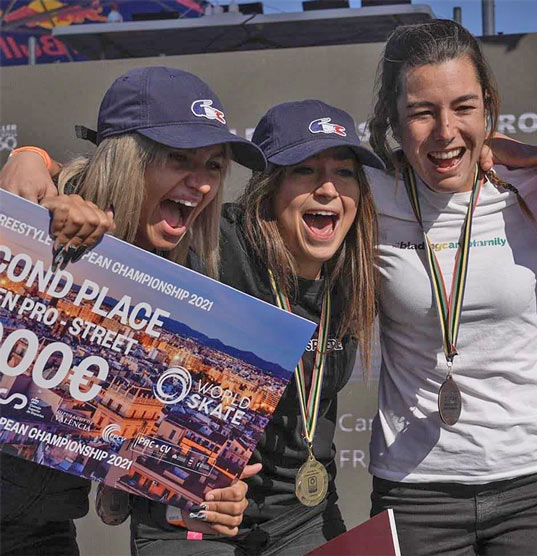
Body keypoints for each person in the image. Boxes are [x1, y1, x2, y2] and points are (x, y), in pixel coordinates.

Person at [1, 99, 385, 555]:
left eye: (344, 173)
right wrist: (32, 157)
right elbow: (117, 192)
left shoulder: (351, 273)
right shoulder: (216, 247)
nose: (327, 188)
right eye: (304, 171)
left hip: (302, 519)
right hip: (187, 521)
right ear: (268, 188)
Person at [0, 65, 266, 555]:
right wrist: (28, 205)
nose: (203, 183)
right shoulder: (40, 210)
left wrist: (201, 496)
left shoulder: (170, 274)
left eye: (213, 165)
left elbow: (115, 490)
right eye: (179, 158)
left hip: (43, 532)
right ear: (127, 158)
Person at [366, 20, 537, 556]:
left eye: (464, 108)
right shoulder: (367, 194)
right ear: (393, 119)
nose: (445, 132)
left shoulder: (531, 185)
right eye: (422, 112)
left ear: (488, 106)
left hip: (534, 486)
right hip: (414, 494)